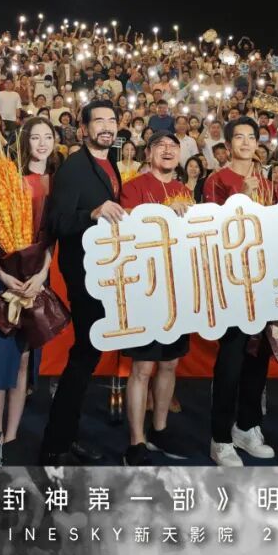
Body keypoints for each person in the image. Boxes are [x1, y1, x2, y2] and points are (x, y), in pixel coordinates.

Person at [38, 100, 122, 466]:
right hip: (85, 274)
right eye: (98, 121)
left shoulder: (109, 162)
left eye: (111, 120)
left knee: (86, 355)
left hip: (106, 270)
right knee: (84, 354)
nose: (106, 126)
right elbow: (57, 222)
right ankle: (54, 444)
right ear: (84, 129)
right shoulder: (74, 167)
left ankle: (63, 437)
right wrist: (92, 213)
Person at [199, 116, 277, 466]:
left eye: (251, 137)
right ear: (228, 144)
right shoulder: (216, 180)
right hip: (231, 280)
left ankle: (247, 426)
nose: (246, 143)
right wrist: (242, 198)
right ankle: (220, 437)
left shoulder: (268, 182)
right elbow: (212, 229)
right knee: (231, 358)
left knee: (258, 355)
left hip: (264, 278)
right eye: (239, 137)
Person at [0, 118, 57, 456]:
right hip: (2, 275)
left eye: (48, 136)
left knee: (24, 357)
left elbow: (52, 236)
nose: (42, 143)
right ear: (24, 142)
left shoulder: (58, 181)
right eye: (35, 137)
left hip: (36, 275)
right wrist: (2, 270)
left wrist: (42, 273)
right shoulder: (7, 176)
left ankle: (12, 434)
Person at [117, 132, 194, 466]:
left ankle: (160, 429)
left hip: (177, 288)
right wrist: (163, 213)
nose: (167, 151)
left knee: (170, 363)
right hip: (144, 288)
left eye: (173, 147)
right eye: (160, 146)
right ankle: (136, 441)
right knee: (142, 367)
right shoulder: (134, 186)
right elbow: (126, 227)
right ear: (148, 153)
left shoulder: (185, 191)